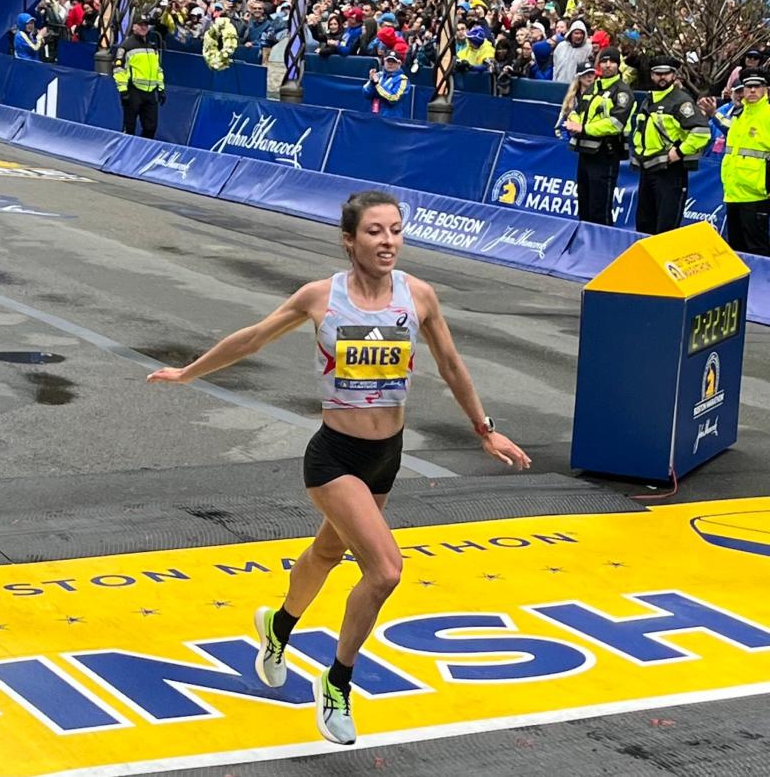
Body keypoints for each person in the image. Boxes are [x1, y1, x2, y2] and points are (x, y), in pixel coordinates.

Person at [147, 190, 530, 746]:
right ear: (349, 240)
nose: (388, 242)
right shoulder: (320, 298)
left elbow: (450, 364)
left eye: (396, 230)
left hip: (385, 458)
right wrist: (188, 372)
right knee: (386, 571)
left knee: (328, 552)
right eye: (375, 232)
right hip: (334, 459)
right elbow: (253, 338)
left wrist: (485, 428)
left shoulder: (418, 297)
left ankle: (276, 629)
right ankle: (337, 683)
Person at [627, 55, 710, 234]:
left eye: (666, 74)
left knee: (666, 226)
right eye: (658, 74)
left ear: (674, 75)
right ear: (651, 75)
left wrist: (679, 152)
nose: (662, 77)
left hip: (670, 170)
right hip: (647, 168)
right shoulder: (649, 99)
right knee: (644, 224)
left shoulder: (681, 101)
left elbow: (701, 132)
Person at [563, 59, 625, 225]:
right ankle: (584, 246)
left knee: (600, 208)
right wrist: (573, 121)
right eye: (604, 61)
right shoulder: (594, 88)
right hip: (585, 152)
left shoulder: (622, 91)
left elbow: (616, 123)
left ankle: (602, 248)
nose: (607, 65)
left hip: (606, 153)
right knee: (585, 204)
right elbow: (577, 111)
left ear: (618, 65)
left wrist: (584, 128)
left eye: (612, 61)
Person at [719, 70, 770, 254]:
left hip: (757, 194)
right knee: (736, 248)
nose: (753, 90)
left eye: (757, 86)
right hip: (733, 192)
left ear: (766, 89)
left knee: (757, 249)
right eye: (749, 86)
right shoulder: (739, 114)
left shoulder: (767, 114)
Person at [113, 14, 165, 139]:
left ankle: (141, 154)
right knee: (129, 128)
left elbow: (157, 69)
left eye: (146, 25)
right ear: (134, 26)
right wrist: (123, 90)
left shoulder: (152, 46)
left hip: (150, 92)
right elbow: (119, 69)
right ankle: (124, 154)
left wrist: (161, 88)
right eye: (141, 25)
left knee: (150, 127)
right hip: (133, 91)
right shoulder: (127, 46)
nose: (143, 27)